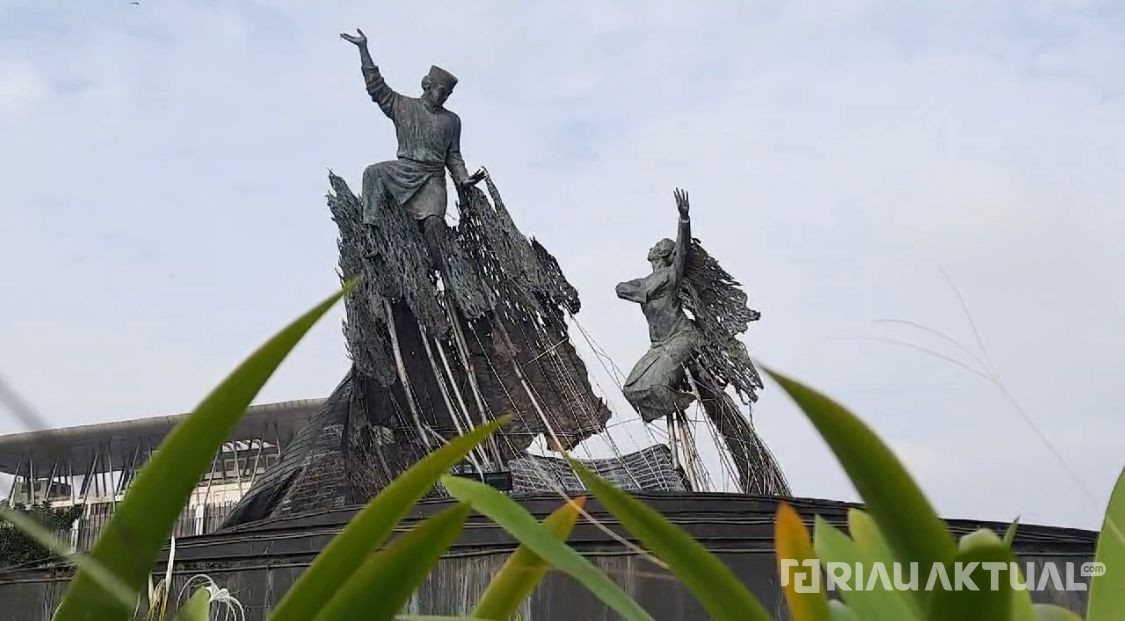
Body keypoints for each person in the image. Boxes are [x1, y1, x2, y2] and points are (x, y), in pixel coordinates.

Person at [340, 28, 484, 263]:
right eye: (441, 91)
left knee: (434, 224)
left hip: (433, 180)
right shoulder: (402, 105)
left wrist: (463, 178)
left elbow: (454, 157)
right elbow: (376, 88)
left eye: (447, 94)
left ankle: (444, 270)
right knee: (373, 174)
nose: (444, 97)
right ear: (427, 85)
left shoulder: (452, 121)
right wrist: (363, 50)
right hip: (404, 170)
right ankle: (372, 238)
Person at [615, 189, 700, 422]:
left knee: (657, 386)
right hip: (658, 345)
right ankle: (670, 403)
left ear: (663, 253)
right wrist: (642, 289)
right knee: (631, 389)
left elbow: (683, 248)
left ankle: (681, 400)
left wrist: (684, 219)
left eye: (656, 245)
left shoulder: (671, 275)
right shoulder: (645, 283)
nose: (651, 248)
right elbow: (621, 289)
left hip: (681, 337)